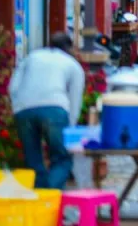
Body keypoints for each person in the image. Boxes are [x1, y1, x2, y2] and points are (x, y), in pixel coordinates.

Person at [9, 32, 85, 188]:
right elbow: (75, 100)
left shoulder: (32, 57)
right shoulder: (73, 65)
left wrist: (17, 107)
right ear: (69, 48)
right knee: (62, 158)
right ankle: (50, 194)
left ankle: (39, 197)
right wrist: (69, 126)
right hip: (55, 109)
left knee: (33, 159)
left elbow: (13, 87)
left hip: (23, 109)